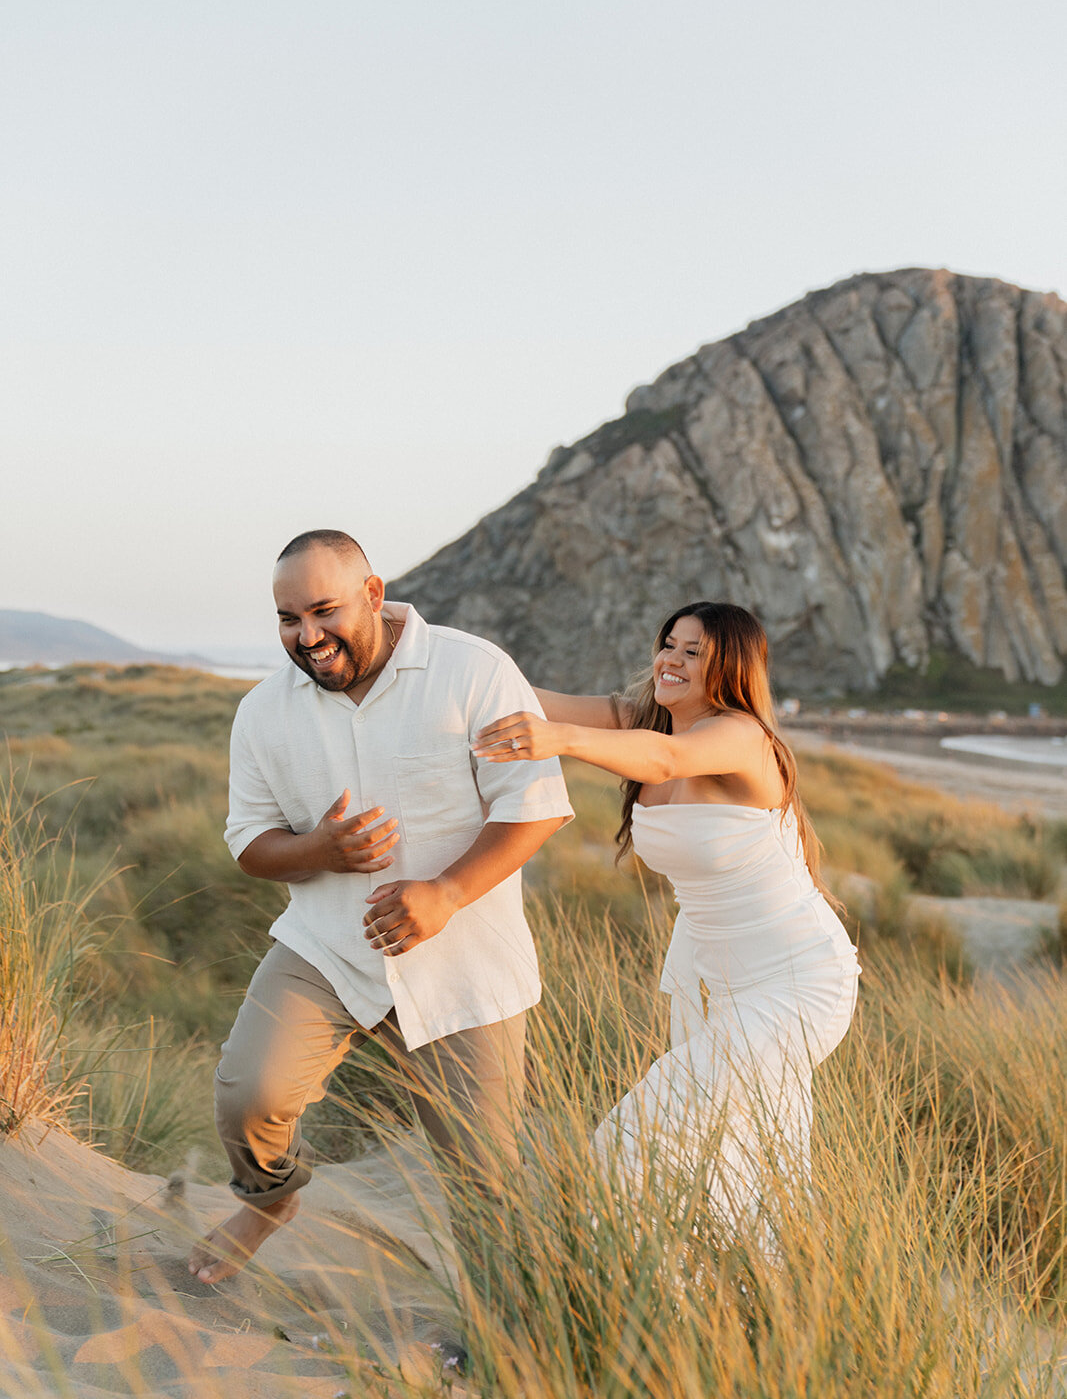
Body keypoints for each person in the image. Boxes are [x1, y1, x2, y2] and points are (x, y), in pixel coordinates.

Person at [188, 530, 572, 1285]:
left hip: (463, 968)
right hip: (326, 948)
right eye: (287, 619)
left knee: (483, 1178)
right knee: (247, 1096)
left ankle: (497, 1342)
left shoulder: (473, 671)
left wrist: (447, 893)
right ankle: (269, 1201)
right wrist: (319, 852)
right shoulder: (264, 712)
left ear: (372, 593)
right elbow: (249, 843)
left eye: (323, 611)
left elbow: (534, 806)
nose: (307, 637)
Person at [472, 601, 860, 1225]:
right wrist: (435, 654)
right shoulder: (645, 717)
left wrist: (564, 742)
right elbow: (527, 697)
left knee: (636, 1141)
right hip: (720, 986)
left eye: (693, 652)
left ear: (728, 667)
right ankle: (748, 1303)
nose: (671, 661)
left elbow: (663, 761)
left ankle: (640, 1293)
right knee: (734, 1155)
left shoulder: (743, 737)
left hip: (799, 981)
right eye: (669, 645)